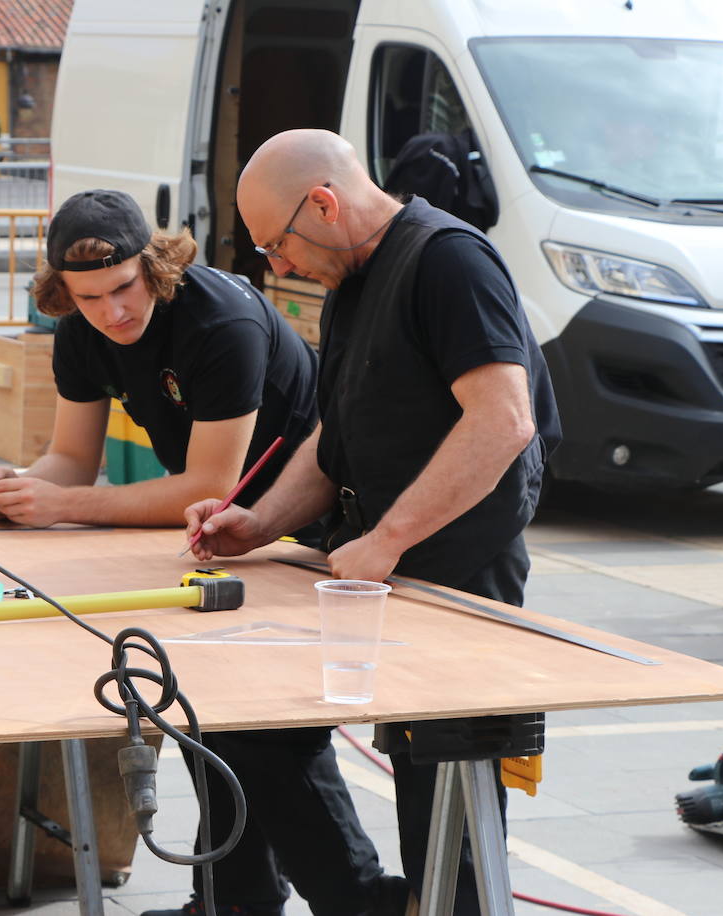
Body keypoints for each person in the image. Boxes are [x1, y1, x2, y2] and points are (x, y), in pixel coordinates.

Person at [181, 129, 561, 914]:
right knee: (254, 735)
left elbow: (502, 420)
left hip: (454, 572)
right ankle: (361, 903)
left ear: (323, 202)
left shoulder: (449, 260)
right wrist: (257, 523)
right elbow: (337, 437)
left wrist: (389, 539)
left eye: (276, 244)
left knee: (442, 795)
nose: (276, 266)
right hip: (369, 572)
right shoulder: (352, 278)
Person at [0, 188, 318, 529]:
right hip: (221, 524)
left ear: (152, 264)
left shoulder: (223, 324)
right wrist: (17, 490)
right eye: (89, 298)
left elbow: (209, 489)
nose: (112, 313)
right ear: (66, 290)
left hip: (310, 513)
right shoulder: (78, 328)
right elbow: (72, 460)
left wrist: (65, 505)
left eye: (123, 287)